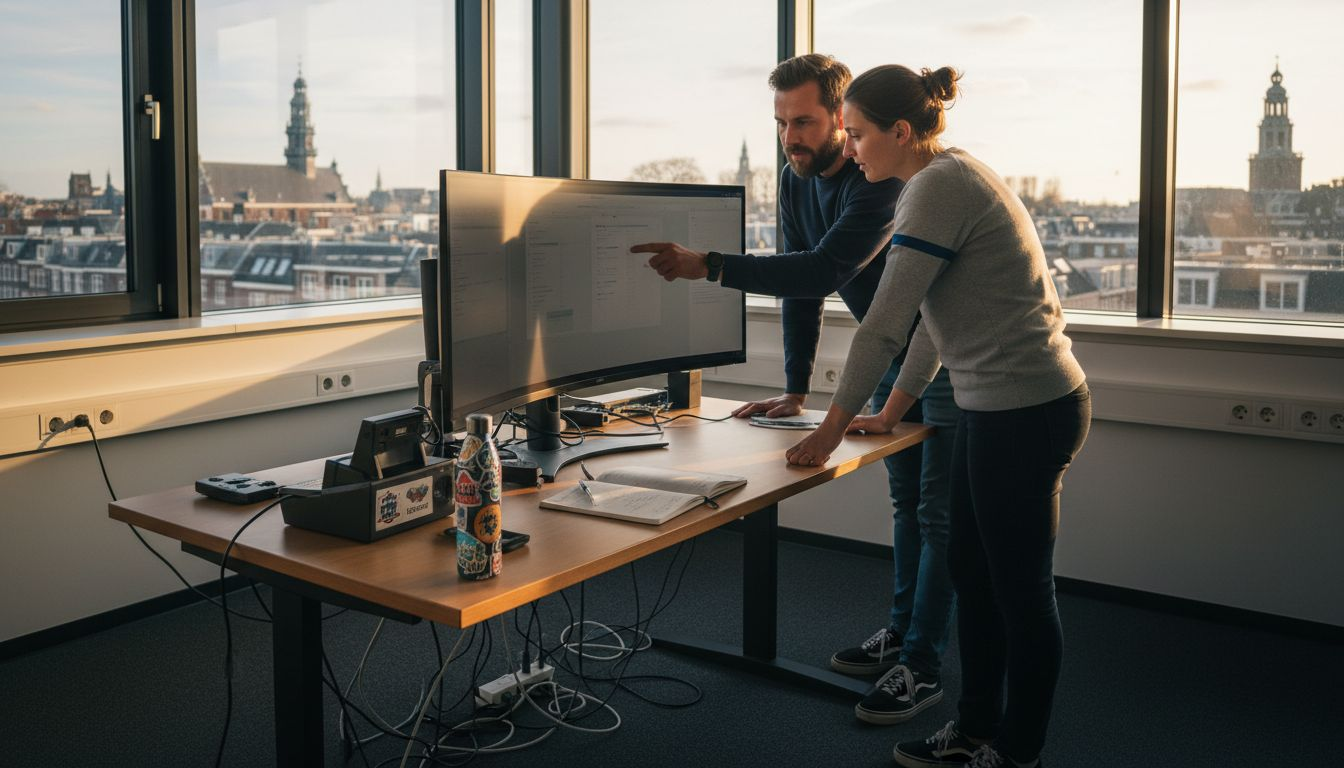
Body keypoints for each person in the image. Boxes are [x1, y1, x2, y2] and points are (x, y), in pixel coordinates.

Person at [630, 53, 960, 726]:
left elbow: (821, 270)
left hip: (945, 358)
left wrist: (709, 266)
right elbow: (801, 290)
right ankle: (902, 632)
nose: (790, 139)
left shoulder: (880, 181)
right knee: (907, 506)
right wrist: (795, 389)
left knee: (938, 516)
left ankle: (921, 665)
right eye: (780, 123)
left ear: (842, 118)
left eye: (804, 122)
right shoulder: (794, 177)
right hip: (891, 360)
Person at [784, 64, 1091, 768]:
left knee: (1020, 593)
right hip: (995, 408)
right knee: (972, 575)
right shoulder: (942, 179)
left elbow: (884, 323)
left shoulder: (935, 187)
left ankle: (1017, 751)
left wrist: (828, 431)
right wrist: (892, 407)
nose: (848, 148)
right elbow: (931, 319)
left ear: (900, 133)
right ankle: (975, 728)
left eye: (857, 134)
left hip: (1028, 411)